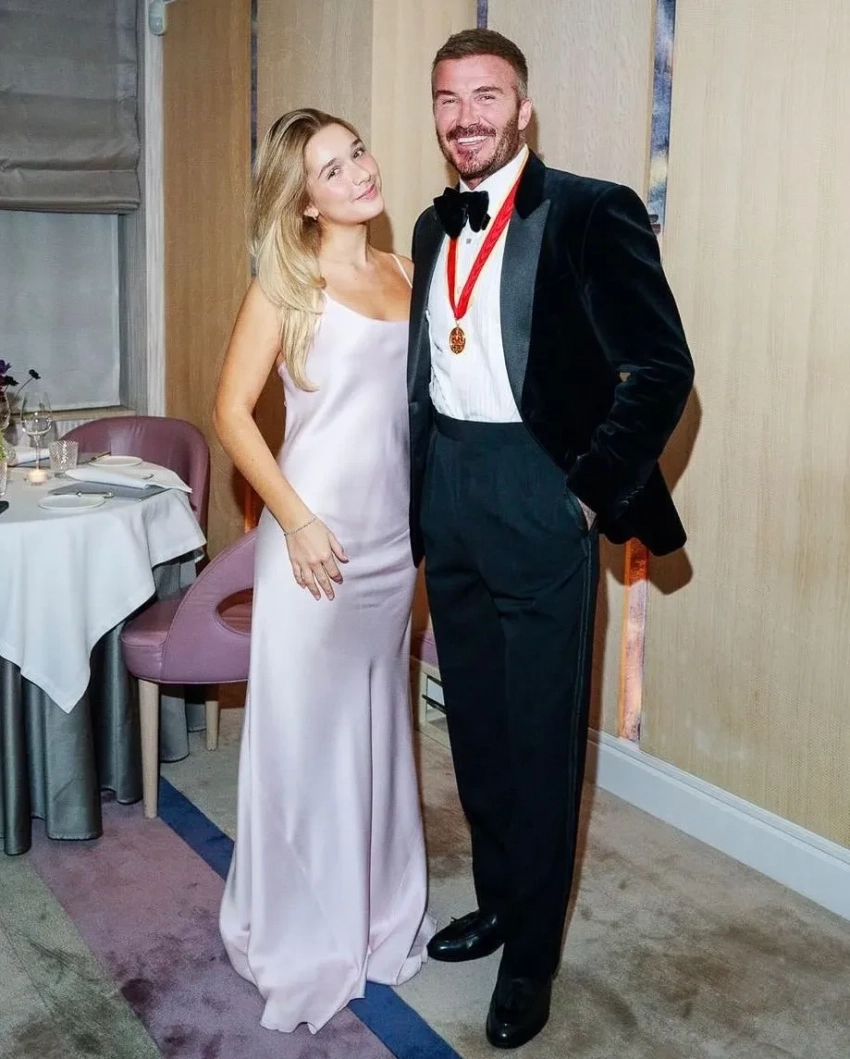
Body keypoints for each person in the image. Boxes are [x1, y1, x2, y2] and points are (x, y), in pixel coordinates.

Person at [407, 29, 694, 1049]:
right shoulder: (430, 226)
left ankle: (531, 959)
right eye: (448, 99)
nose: (466, 118)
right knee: (478, 726)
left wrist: (581, 496)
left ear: (523, 108)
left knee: (539, 738)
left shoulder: (590, 209)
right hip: (449, 488)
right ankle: (498, 904)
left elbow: (662, 369)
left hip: (540, 491)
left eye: (487, 96)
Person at [215, 108, 433, 1034]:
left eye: (357, 153)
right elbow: (231, 412)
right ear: (304, 200)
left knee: (377, 732)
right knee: (306, 741)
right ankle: (302, 930)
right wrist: (296, 521)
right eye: (331, 169)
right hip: (311, 544)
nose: (358, 173)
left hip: (390, 544)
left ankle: (377, 909)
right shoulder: (286, 283)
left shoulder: (409, 273)